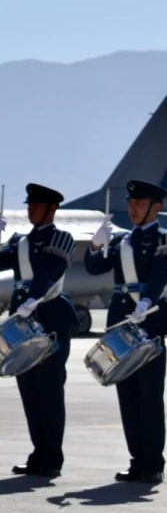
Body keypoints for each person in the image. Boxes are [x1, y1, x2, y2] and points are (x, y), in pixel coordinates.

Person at [0, 183, 79, 477]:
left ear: (51, 209)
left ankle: (52, 457)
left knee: (50, 391)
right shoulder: (20, 241)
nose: (30, 210)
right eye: (29, 205)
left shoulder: (61, 238)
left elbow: (49, 272)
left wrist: (32, 299)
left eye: (36, 206)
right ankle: (38, 452)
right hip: (22, 321)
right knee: (30, 391)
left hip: (50, 318)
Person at [85, 179, 167, 484]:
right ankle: (136, 461)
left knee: (149, 397)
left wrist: (147, 300)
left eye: (140, 204)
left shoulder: (163, 240)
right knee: (128, 397)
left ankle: (153, 463)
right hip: (121, 325)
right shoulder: (121, 241)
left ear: (156, 208)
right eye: (131, 203)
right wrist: (95, 245)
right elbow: (95, 268)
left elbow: (160, 274)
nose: (133, 208)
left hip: (150, 321)